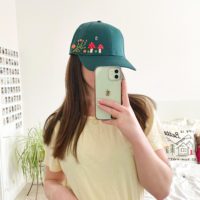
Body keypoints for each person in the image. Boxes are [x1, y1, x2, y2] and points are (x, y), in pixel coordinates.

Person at [43, 21, 172, 200]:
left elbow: (162, 190)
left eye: (113, 64)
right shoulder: (59, 125)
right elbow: (52, 180)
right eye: (97, 63)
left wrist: (135, 134)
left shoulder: (142, 112)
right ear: (76, 62)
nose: (106, 69)